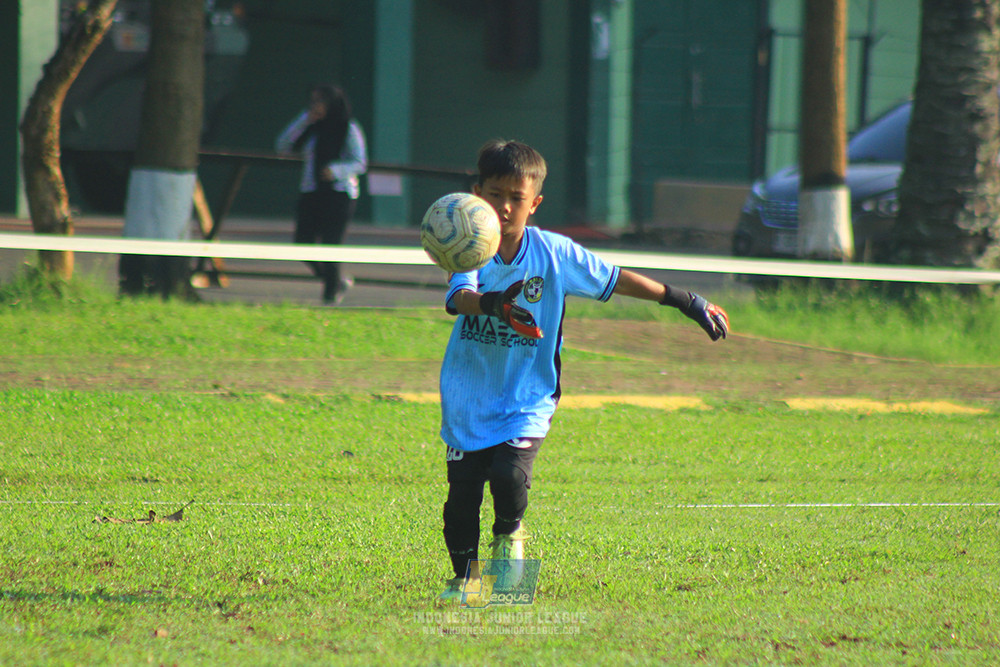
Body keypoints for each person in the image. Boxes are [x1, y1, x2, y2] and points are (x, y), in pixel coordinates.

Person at [437, 140, 729, 601]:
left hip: (527, 393)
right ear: (477, 195)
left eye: (517, 198)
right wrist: (494, 305)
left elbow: (615, 278)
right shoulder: (468, 247)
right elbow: (458, 299)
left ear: (535, 204)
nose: (505, 207)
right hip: (469, 391)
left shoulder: (555, 254)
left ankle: (510, 538)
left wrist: (685, 300)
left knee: (508, 477)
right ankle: (466, 580)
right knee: (461, 498)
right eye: (495, 195)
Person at [276, 84, 367, 304]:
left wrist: (335, 170)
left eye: (321, 102)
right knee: (302, 243)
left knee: (330, 244)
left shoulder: (349, 127)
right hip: (311, 191)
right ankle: (335, 281)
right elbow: (283, 146)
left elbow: (359, 162)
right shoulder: (311, 128)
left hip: (339, 193)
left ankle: (329, 297)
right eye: (313, 101)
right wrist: (305, 119)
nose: (316, 106)